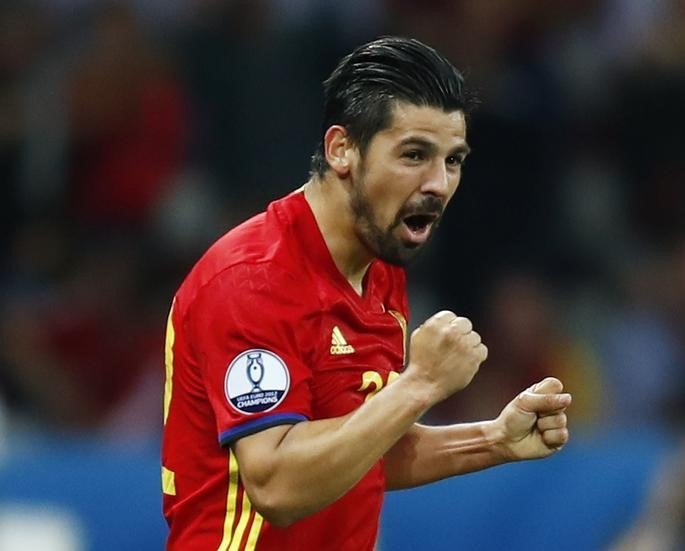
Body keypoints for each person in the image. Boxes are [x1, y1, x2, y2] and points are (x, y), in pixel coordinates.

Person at [161, 36, 571, 550]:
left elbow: (363, 450)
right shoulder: (252, 280)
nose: (438, 184)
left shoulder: (380, 267)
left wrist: (492, 440)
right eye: (414, 155)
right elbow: (278, 485)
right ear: (342, 150)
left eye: (453, 160)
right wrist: (419, 383)